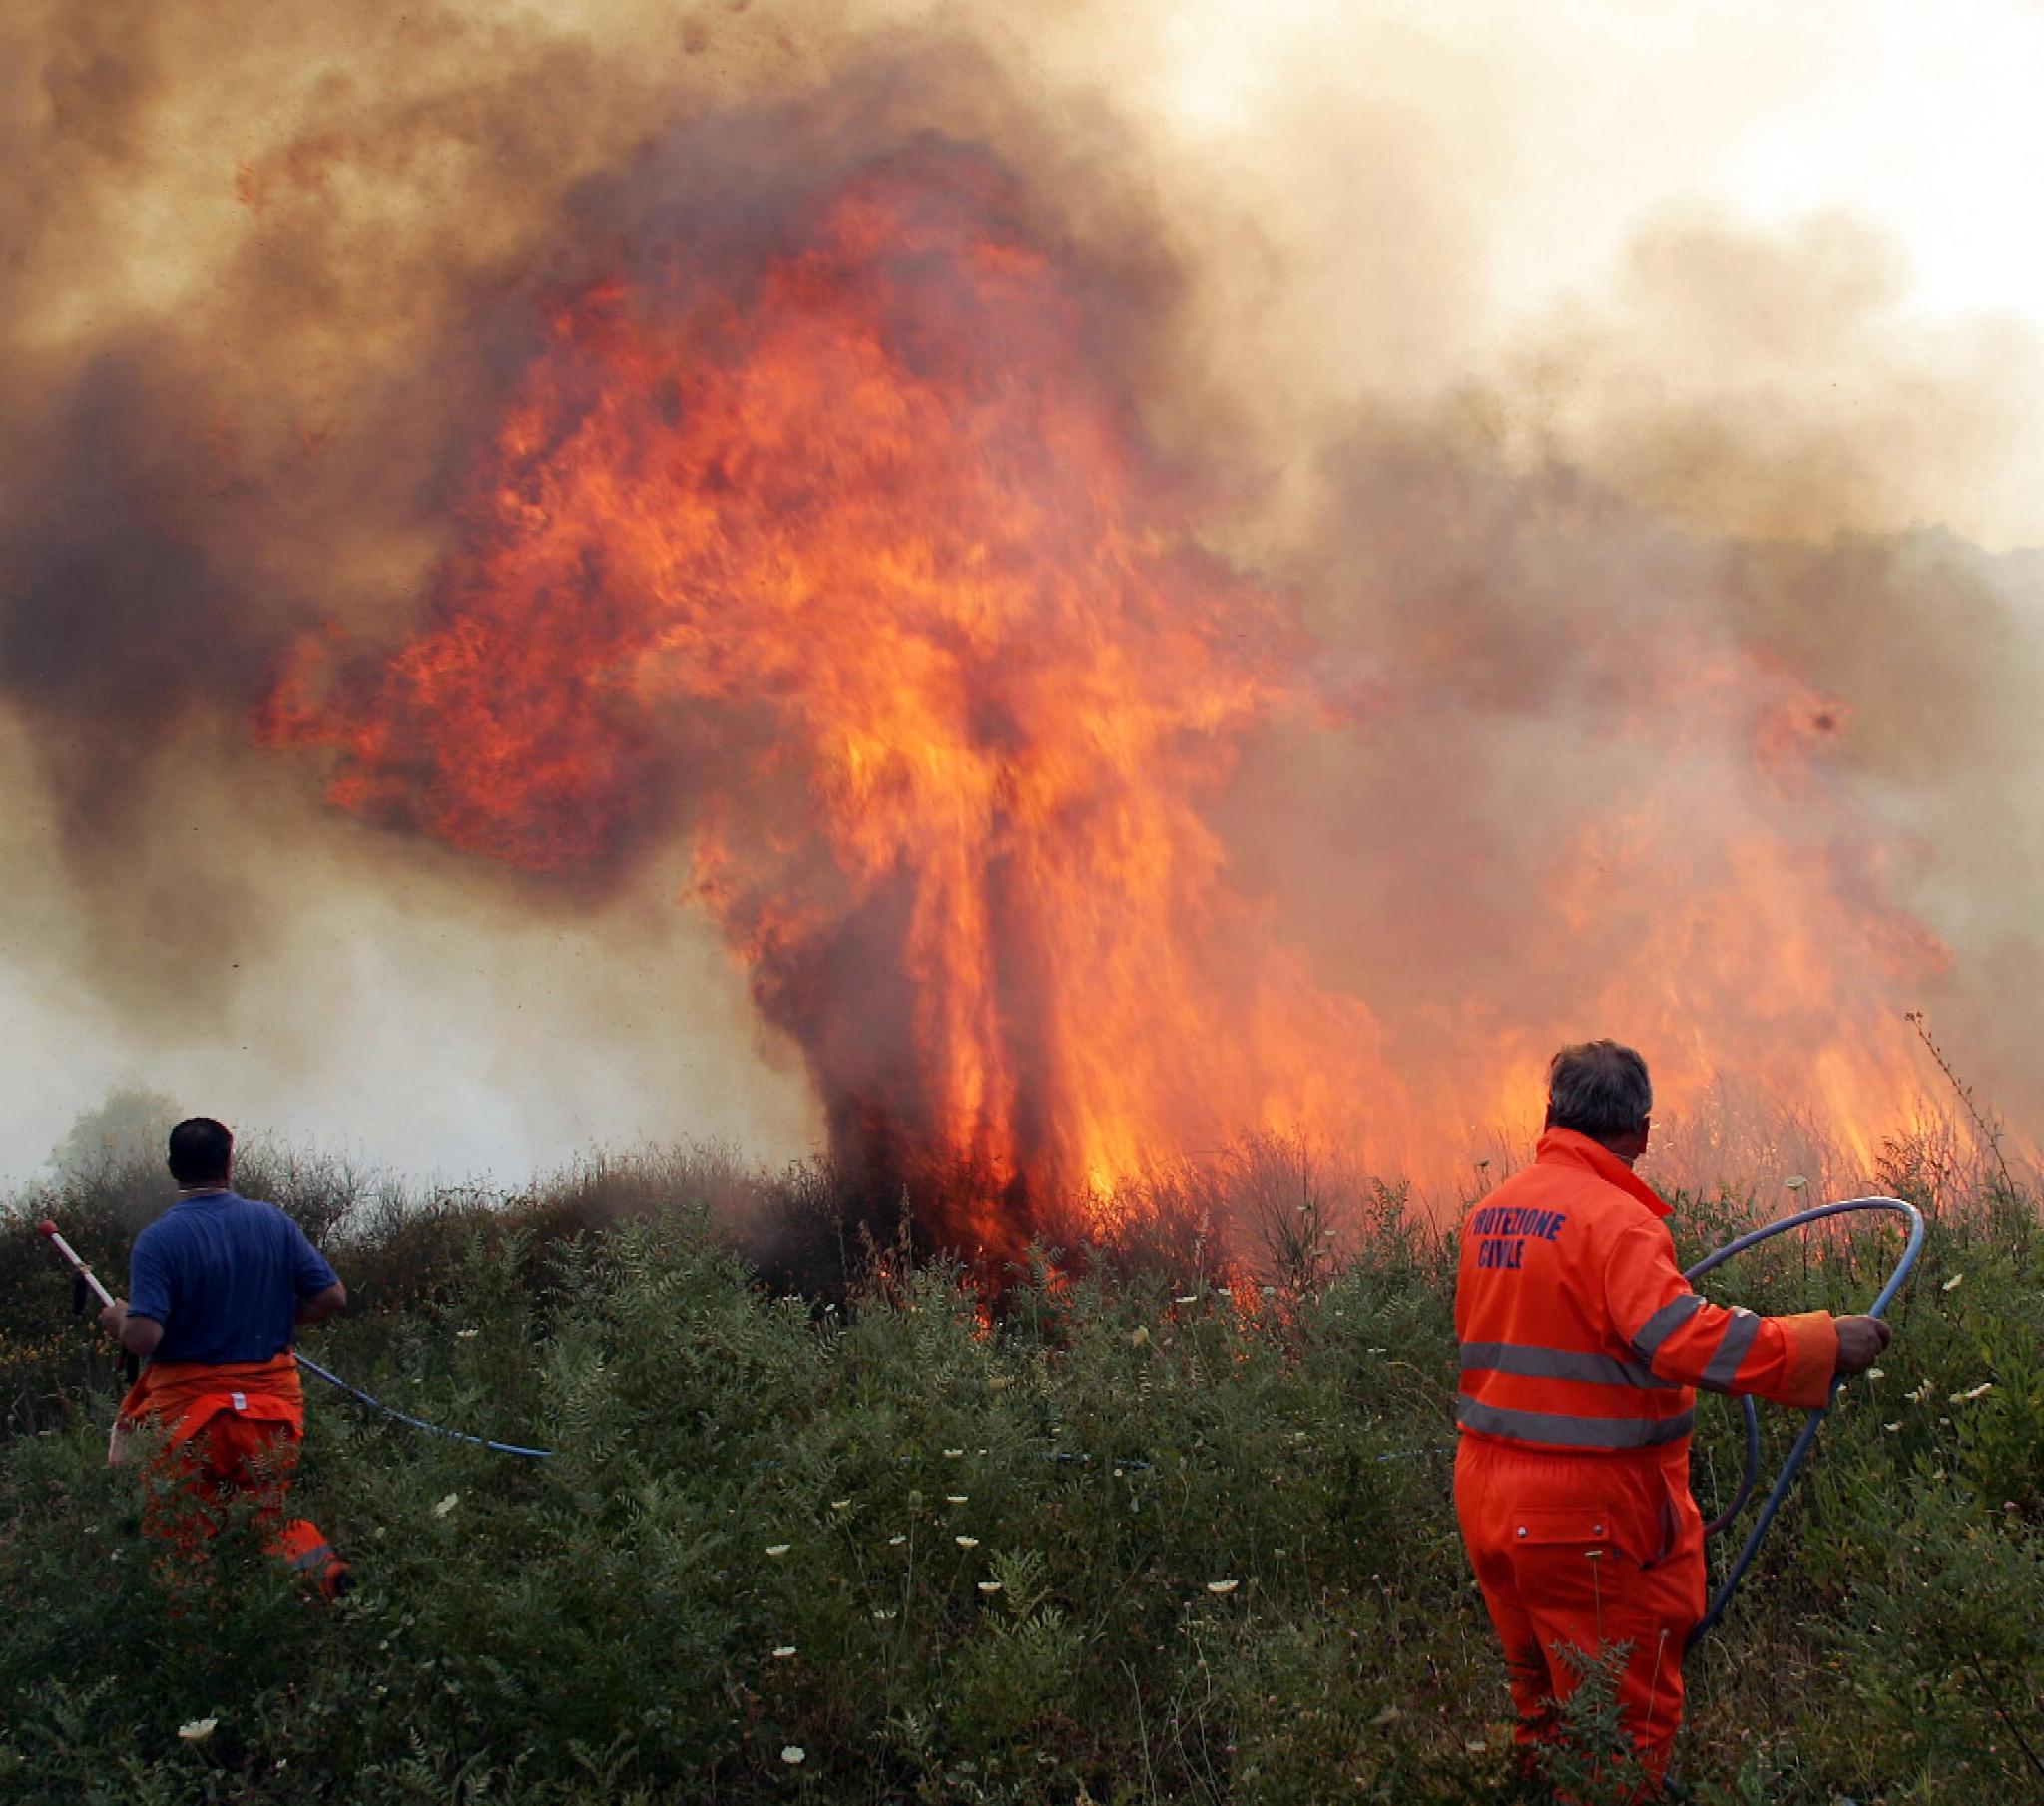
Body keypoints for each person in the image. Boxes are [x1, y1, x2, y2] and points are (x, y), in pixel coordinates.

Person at [1454, 1042, 1890, 1790]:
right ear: (1643, 1132)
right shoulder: (1617, 1223)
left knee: (1547, 1712)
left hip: (1489, 1499)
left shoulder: (1489, 1215)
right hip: (1585, 1515)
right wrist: (1820, 1344)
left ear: (1550, 1114)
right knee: (1618, 1729)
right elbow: (1678, 1338)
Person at [97, 1117, 352, 1596]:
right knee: (265, 1519)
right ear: (229, 1163)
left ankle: (198, 1643)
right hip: (270, 1413)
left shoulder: (159, 1240)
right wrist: (275, 1316)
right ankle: (327, 1583)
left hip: (191, 1420)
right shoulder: (273, 1222)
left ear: (172, 1167)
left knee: (181, 1534)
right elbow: (332, 1298)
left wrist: (118, 1321)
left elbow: (145, 1338)